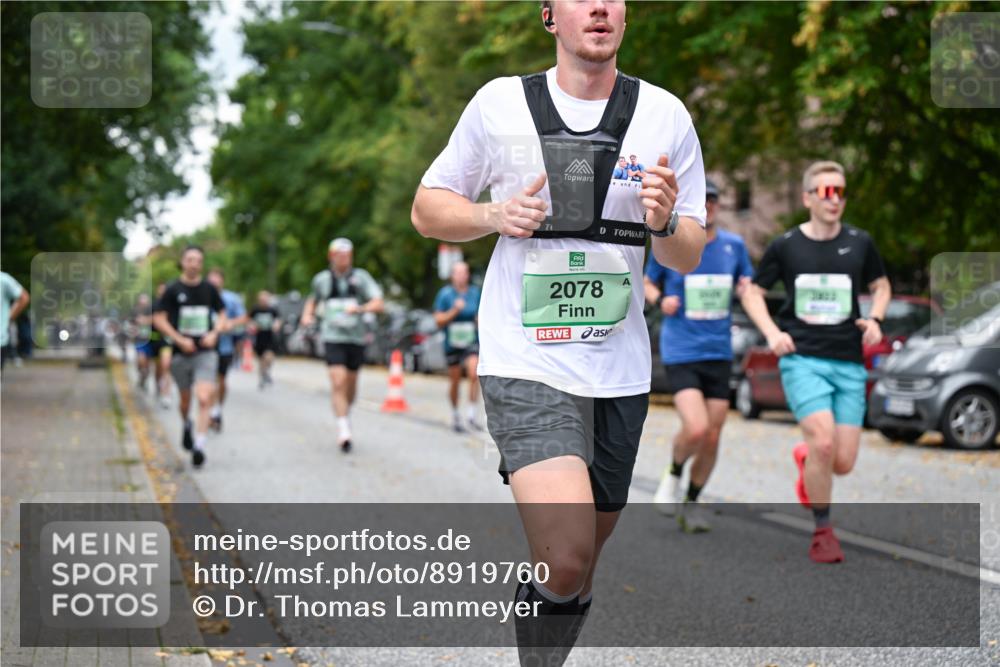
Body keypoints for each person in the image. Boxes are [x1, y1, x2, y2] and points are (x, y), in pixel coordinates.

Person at [411, 1, 706, 662]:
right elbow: (428, 208)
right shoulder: (499, 105)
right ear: (550, 17)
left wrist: (663, 220)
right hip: (525, 360)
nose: (599, 6)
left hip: (619, 370)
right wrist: (491, 213)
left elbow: (687, 251)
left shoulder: (665, 116)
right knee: (568, 554)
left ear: (625, 18)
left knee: (576, 568)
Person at [740, 160, 890, 563]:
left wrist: (875, 319)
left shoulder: (860, 243)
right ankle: (823, 532)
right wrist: (772, 334)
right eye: (825, 191)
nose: (834, 199)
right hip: (802, 359)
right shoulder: (787, 245)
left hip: (848, 361)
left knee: (842, 461)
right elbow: (753, 292)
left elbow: (881, 285)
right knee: (824, 440)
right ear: (808, 197)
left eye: (840, 191)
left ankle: (808, 460)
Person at [645, 178, 754, 532]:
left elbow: (746, 284)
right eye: (701, 201)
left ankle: (692, 500)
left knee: (713, 434)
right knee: (696, 427)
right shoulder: (674, 239)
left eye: (712, 202)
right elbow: (647, 282)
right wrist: (662, 300)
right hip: (682, 348)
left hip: (718, 350)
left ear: (719, 206)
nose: (707, 207)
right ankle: (673, 473)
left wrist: (745, 289)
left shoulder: (733, 247)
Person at [300, 238, 384, 453]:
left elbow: (378, 303)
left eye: (348, 255)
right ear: (331, 256)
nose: (344, 259)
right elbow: (312, 300)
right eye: (340, 255)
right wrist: (307, 316)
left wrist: (361, 309)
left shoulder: (361, 278)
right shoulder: (322, 280)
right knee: (338, 382)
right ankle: (343, 429)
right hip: (333, 336)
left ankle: (345, 413)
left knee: (350, 386)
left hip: (355, 338)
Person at [152, 246, 228, 468]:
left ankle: (199, 446)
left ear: (201, 264)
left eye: (198, 260)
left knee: (204, 397)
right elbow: (159, 319)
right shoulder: (173, 289)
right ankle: (187, 423)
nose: (194, 263)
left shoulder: (210, 290)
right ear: (183, 262)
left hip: (205, 352)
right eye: (190, 259)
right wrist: (178, 339)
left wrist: (214, 333)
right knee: (185, 400)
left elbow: (223, 315)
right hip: (181, 353)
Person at [433, 261, 483, 432]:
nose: (462, 276)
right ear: (452, 276)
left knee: (474, 373)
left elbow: (481, 314)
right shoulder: (445, 295)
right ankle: (455, 415)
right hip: (452, 342)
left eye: (465, 272)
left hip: (471, 340)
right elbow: (438, 321)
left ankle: (471, 414)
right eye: (458, 273)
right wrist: (454, 311)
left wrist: (479, 320)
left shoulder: (475, 293)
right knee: (454, 380)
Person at [206, 268, 248, 432]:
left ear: (222, 281)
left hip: (224, 347)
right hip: (206, 347)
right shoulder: (201, 296)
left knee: (221, 381)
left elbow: (243, 317)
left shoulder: (231, 299)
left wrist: (231, 324)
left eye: (217, 279)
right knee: (208, 382)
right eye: (211, 280)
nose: (214, 283)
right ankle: (209, 412)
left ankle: (217, 410)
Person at [249, 290, 281, 389]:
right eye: (262, 299)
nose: (264, 301)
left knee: (269, 357)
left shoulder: (272, 310)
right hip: (259, 338)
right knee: (261, 360)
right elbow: (249, 320)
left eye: (265, 299)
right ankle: (262, 378)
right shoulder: (255, 309)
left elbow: (278, 320)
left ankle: (266, 372)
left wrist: (276, 325)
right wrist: (252, 326)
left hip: (270, 337)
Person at [150, 283, 174, 408]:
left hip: (167, 340)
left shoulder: (172, 305)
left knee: (166, 366)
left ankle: (166, 393)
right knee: (158, 368)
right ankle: (157, 386)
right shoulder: (154, 305)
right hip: (154, 339)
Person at [1, 271, 30, 370]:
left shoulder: (3, 279)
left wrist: (8, 317)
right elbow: (24, 298)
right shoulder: (3, 279)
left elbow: (24, 298)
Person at [131, 293, 155, 391]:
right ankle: (141, 373)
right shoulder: (135, 312)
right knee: (141, 360)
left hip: (150, 340)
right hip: (139, 340)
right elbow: (130, 325)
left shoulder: (152, 312)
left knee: (147, 363)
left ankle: (144, 379)